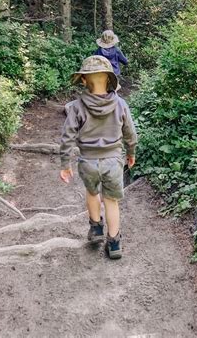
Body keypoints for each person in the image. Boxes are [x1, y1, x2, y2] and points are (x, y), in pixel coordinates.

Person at [59, 55, 137, 259]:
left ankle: (95, 228)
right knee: (111, 201)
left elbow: (67, 137)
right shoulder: (120, 104)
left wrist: (65, 163)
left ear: (84, 80)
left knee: (92, 193)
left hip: (88, 161)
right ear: (110, 80)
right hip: (113, 161)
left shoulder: (76, 107)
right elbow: (130, 133)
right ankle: (114, 243)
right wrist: (131, 152)